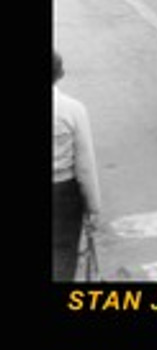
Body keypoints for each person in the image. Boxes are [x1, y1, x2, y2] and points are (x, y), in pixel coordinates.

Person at [53, 50, 102, 282]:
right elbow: (84, 167)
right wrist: (93, 207)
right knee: (62, 254)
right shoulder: (72, 110)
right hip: (62, 194)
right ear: (59, 74)